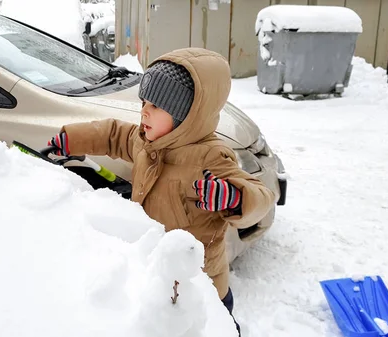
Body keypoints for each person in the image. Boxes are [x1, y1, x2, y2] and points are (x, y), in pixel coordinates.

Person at [47, 48, 275, 334]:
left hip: (202, 288)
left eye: (155, 106)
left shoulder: (212, 157)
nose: (144, 111)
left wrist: (235, 197)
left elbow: (263, 196)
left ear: (185, 114)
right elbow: (113, 134)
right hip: (156, 273)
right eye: (144, 101)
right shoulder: (147, 142)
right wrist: (72, 140)